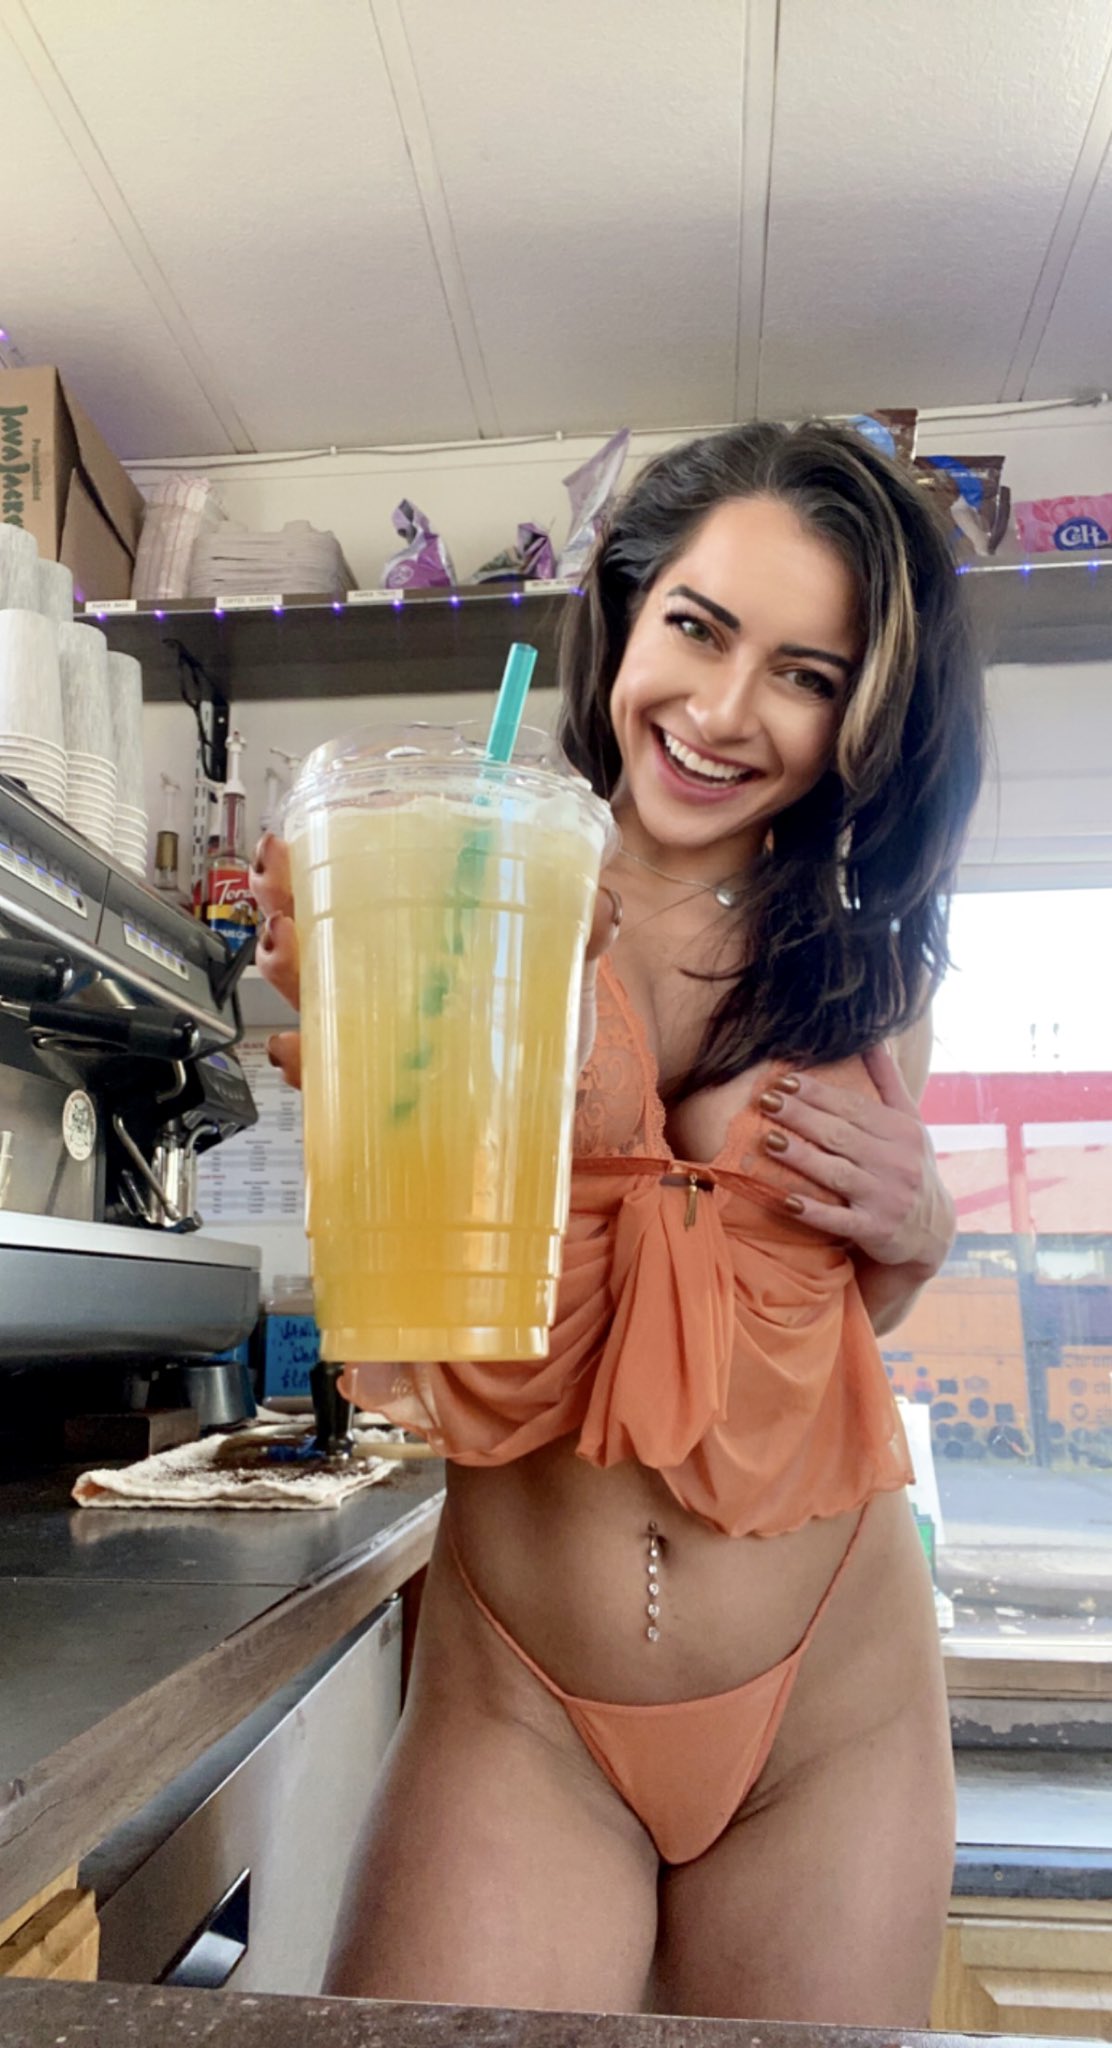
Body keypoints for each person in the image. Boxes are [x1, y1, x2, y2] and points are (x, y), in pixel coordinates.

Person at [250, 419, 984, 2024]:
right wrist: (375, 1028)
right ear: (630, 616)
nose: (723, 712)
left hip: (837, 1711)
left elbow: (815, 1323)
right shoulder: (465, 883)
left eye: (803, 674)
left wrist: (921, 1234)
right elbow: (414, 1288)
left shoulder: (871, 967)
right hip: (524, 1705)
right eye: (698, 630)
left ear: (860, 715)